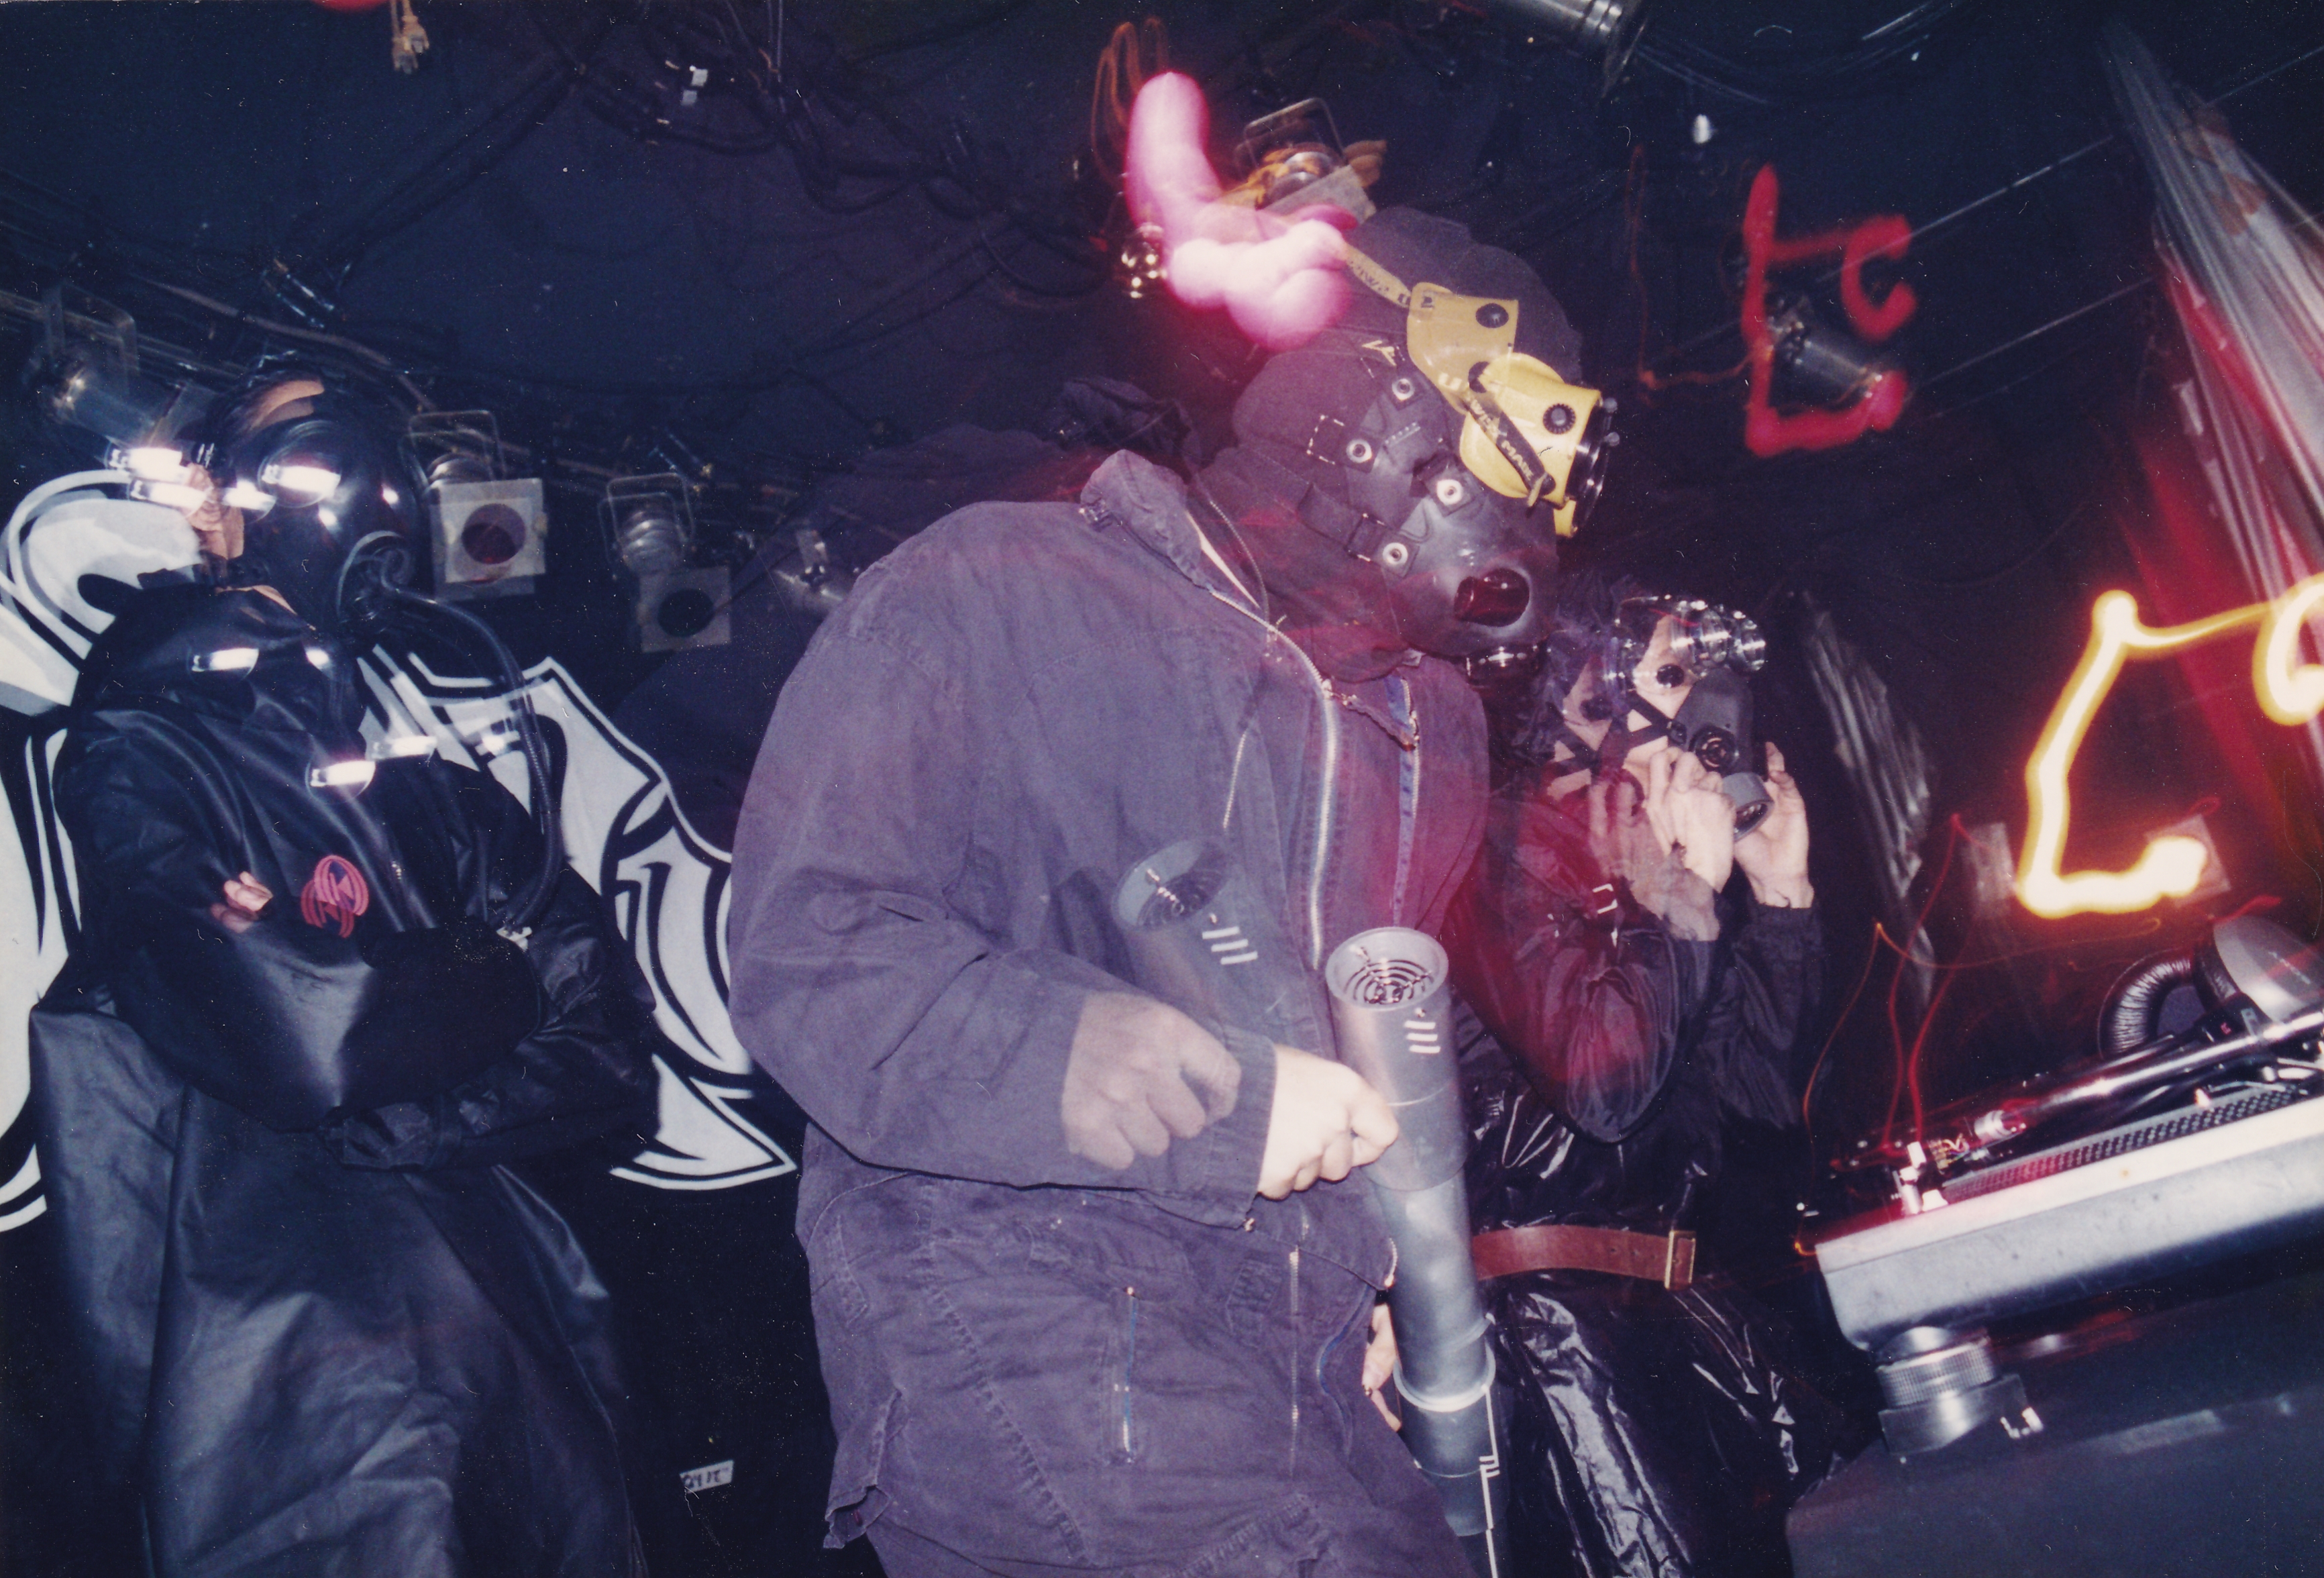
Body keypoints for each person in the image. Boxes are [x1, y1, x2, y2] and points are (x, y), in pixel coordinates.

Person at [727, 207, 1591, 1577]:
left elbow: (1394, 1055)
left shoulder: (1425, 731)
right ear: (1380, 401)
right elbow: (816, 956)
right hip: (1040, 1336)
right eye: (1526, 433)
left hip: (1297, 1373)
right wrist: (1211, 1097)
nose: (1541, 503)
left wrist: (1385, 1260)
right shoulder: (999, 583)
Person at [30, 368, 662, 1577]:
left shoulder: (447, 796)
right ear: (214, 509)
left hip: (529, 1392)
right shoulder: (138, 752)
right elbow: (303, 1037)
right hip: (290, 1430)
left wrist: (412, 1086)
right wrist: (507, 971)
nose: (350, 478)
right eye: (300, 445)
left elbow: (615, 1057)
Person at [1446, 578, 1860, 1578]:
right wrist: (1685, 897)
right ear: (1575, 695)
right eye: (1672, 674)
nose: (1702, 705)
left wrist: (1782, 899)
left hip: (1681, 1317)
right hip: (1566, 1351)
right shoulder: (1494, 851)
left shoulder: (1639, 856)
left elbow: (1750, 1107)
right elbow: (1603, 1090)